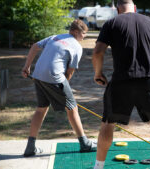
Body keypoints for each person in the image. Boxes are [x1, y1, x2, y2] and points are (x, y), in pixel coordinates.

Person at [91, 0, 150, 169]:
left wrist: (98, 73)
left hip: (121, 81)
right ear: (135, 8)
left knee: (108, 124)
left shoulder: (112, 23)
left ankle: (98, 166)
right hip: (148, 80)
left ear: (118, 9)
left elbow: (97, 52)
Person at [21, 19, 96, 157]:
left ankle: (30, 147)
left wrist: (27, 66)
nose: (84, 36)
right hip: (54, 77)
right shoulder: (77, 47)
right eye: (83, 33)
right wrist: (62, 92)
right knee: (72, 108)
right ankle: (84, 143)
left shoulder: (56, 36)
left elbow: (34, 46)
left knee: (41, 108)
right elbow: (70, 72)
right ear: (75, 32)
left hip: (38, 75)